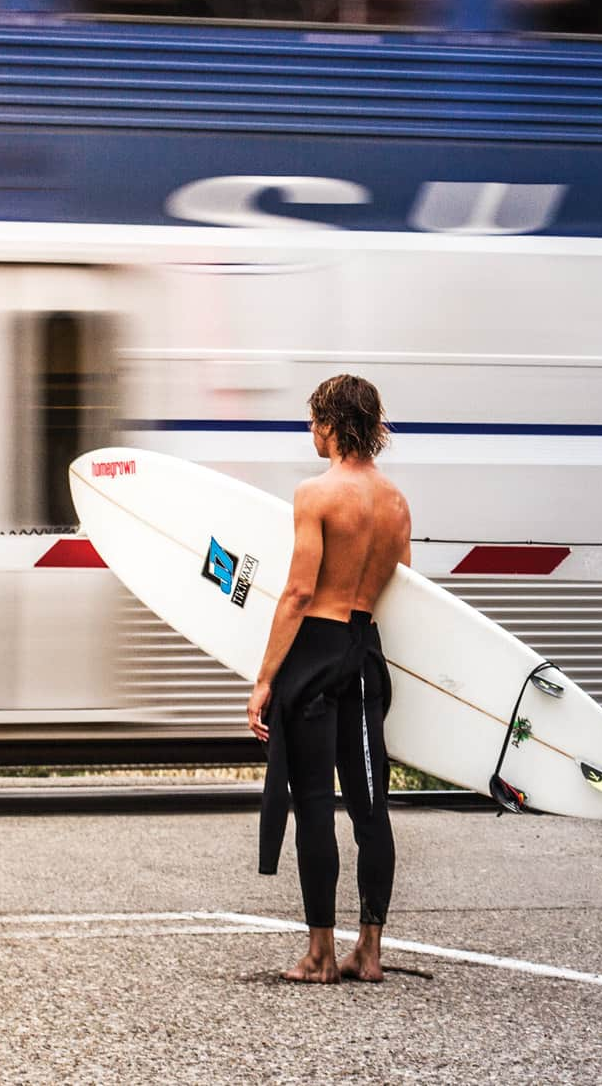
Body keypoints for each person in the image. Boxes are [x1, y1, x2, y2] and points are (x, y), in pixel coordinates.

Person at [248, 374, 411, 983]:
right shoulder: (396, 502)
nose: (310, 431)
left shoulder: (316, 495)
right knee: (371, 809)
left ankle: (320, 955)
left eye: (314, 420)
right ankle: (369, 951)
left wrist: (265, 678)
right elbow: (403, 588)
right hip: (365, 653)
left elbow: (297, 592)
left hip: (315, 653)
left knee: (314, 805)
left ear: (334, 424)